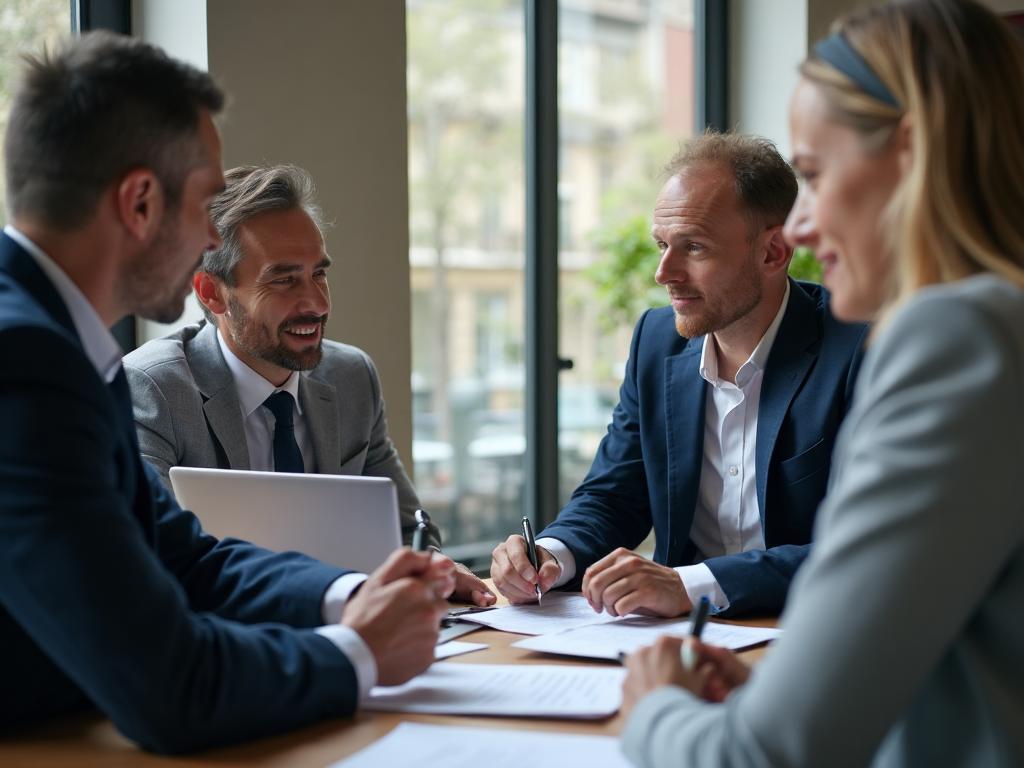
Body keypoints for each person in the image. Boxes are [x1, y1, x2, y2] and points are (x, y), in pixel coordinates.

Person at [0, 32, 455, 754]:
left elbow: (184, 556)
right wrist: (362, 653)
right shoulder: (24, 365)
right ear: (141, 202)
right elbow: (168, 686)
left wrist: (345, 596)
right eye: (207, 202)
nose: (213, 231)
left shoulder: (68, 348)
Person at [620, 1, 1024, 765]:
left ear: (911, 156)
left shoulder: (956, 340)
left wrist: (654, 711)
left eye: (813, 174)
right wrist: (778, 690)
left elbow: (765, 758)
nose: (798, 230)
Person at [492, 133, 867, 617]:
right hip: (673, 643)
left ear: (774, 252)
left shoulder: (859, 347)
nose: (664, 272)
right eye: (662, 245)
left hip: (808, 633)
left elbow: (856, 548)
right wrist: (549, 555)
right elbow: (614, 496)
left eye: (694, 247)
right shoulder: (657, 340)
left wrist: (687, 586)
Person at [123, 163, 493, 606]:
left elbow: (409, 528)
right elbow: (159, 561)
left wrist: (434, 569)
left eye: (318, 273)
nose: (317, 303)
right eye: (283, 279)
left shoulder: (351, 375)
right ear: (211, 293)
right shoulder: (152, 389)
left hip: (361, 635)